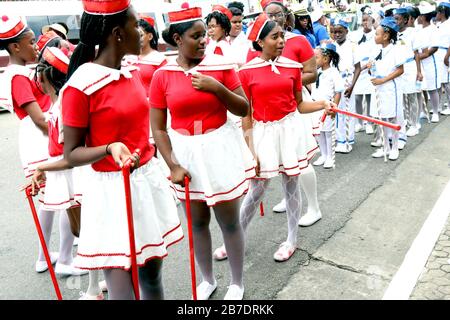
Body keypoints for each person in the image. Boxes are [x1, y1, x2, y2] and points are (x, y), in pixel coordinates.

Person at [61, 0, 183, 300]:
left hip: (145, 183)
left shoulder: (130, 71)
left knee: (152, 276)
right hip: (111, 193)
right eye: (134, 24)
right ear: (117, 33)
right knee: (121, 287)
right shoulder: (80, 86)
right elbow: (71, 154)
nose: (140, 31)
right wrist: (108, 148)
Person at [150, 6, 255, 300]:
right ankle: (207, 280)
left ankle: (236, 282)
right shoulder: (162, 76)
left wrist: (217, 88)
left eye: (204, 36)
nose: (203, 41)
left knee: (229, 221)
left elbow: (244, 108)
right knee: (197, 222)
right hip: (184, 153)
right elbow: (158, 128)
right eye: (195, 36)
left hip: (218, 147)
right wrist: (172, 164)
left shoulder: (219, 66)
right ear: (176, 38)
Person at [214, 14, 333, 264]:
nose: (281, 41)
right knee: (256, 189)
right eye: (275, 37)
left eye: (282, 36)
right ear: (260, 42)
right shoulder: (245, 73)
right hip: (261, 133)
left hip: (289, 131)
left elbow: (299, 105)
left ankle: (291, 239)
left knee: (291, 183)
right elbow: (246, 114)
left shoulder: (293, 67)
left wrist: (322, 104)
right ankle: (234, 239)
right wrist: (251, 151)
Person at [0, 16, 71, 275]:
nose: (36, 47)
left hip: (40, 136)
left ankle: (44, 257)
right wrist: (62, 136)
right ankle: (65, 260)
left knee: (50, 201)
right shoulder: (18, 76)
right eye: (31, 43)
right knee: (65, 199)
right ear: (15, 47)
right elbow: (40, 120)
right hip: (42, 137)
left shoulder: (21, 72)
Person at [258, 0, 322, 228]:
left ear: (286, 17)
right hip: (269, 110)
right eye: (269, 15)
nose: (273, 19)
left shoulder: (298, 40)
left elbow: (312, 74)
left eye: (278, 15)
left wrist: (285, 82)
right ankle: (289, 197)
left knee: (301, 159)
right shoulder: (258, 43)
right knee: (281, 159)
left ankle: (313, 207)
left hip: (295, 103)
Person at [368, 17, 405, 161]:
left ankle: (394, 147)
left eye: (377, 34)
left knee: (392, 117)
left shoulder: (395, 50)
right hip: (378, 87)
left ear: (386, 36)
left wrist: (383, 80)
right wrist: (371, 69)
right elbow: (374, 70)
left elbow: (400, 70)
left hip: (390, 87)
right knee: (381, 118)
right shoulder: (376, 50)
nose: (375, 37)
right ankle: (385, 147)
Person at [312, 43, 344, 169]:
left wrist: (334, 107)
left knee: (328, 132)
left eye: (316, 57)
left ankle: (330, 156)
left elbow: (338, 91)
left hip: (327, 107)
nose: (314, 60)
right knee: (319, 132)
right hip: (316, 107)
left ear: (325, 59)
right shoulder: (317, 72)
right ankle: (323, 155)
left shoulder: (333, 73)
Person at [333, 19, 361, 154]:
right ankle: (340, 140)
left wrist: (352, 85)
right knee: (338, 111)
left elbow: (358, 68)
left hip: (348, 80)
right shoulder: (332, 46)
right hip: (335, 81)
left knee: (349, 111)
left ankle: (349, 141)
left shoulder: (352, 46)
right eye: (334, 32)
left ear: (346, 31)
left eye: (340, 32)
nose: (337, 34)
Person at [394, 7, 422, 138]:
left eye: (398, 19)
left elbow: (416, 53)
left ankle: (414, 124)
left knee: (412, 97)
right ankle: (405, 120)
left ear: (405, 20)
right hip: (399, 68)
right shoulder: (394, 33)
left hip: (410, 67)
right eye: (394, 19)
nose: (396, 21)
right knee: (402, 96)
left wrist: (419, 71)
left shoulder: (412, 33)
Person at [353, 10, 378, 135]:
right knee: (357, 97)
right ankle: (359, 122)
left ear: (372, 21)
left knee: (368, 97)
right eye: (363, 20)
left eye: (367, 20)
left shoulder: (376, 35)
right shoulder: (356, 35)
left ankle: (369, 122)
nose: (365, 23)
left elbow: (377, 51)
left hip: (369, 67)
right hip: (358, 68)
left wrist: (369, 64)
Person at [416, 3, 441, 123]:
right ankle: (423, 111)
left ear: (424, 17)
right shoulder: (418, 30)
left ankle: (435, 112)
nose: (418, 18)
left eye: (420, 16)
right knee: (422, 87)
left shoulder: (433, 29)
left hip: (431, 61)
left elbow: (434, 47)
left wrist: (422, 56)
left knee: (432, 88)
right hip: (420, 62)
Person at [435, 2, 450, 115]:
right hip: (437, 53)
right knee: (439, 81)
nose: (436, 14)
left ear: (443, 13)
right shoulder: (438, 24)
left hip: (445, 52)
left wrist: (447, 57)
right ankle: (438, 106)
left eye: (438, 12)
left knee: (447, 82)